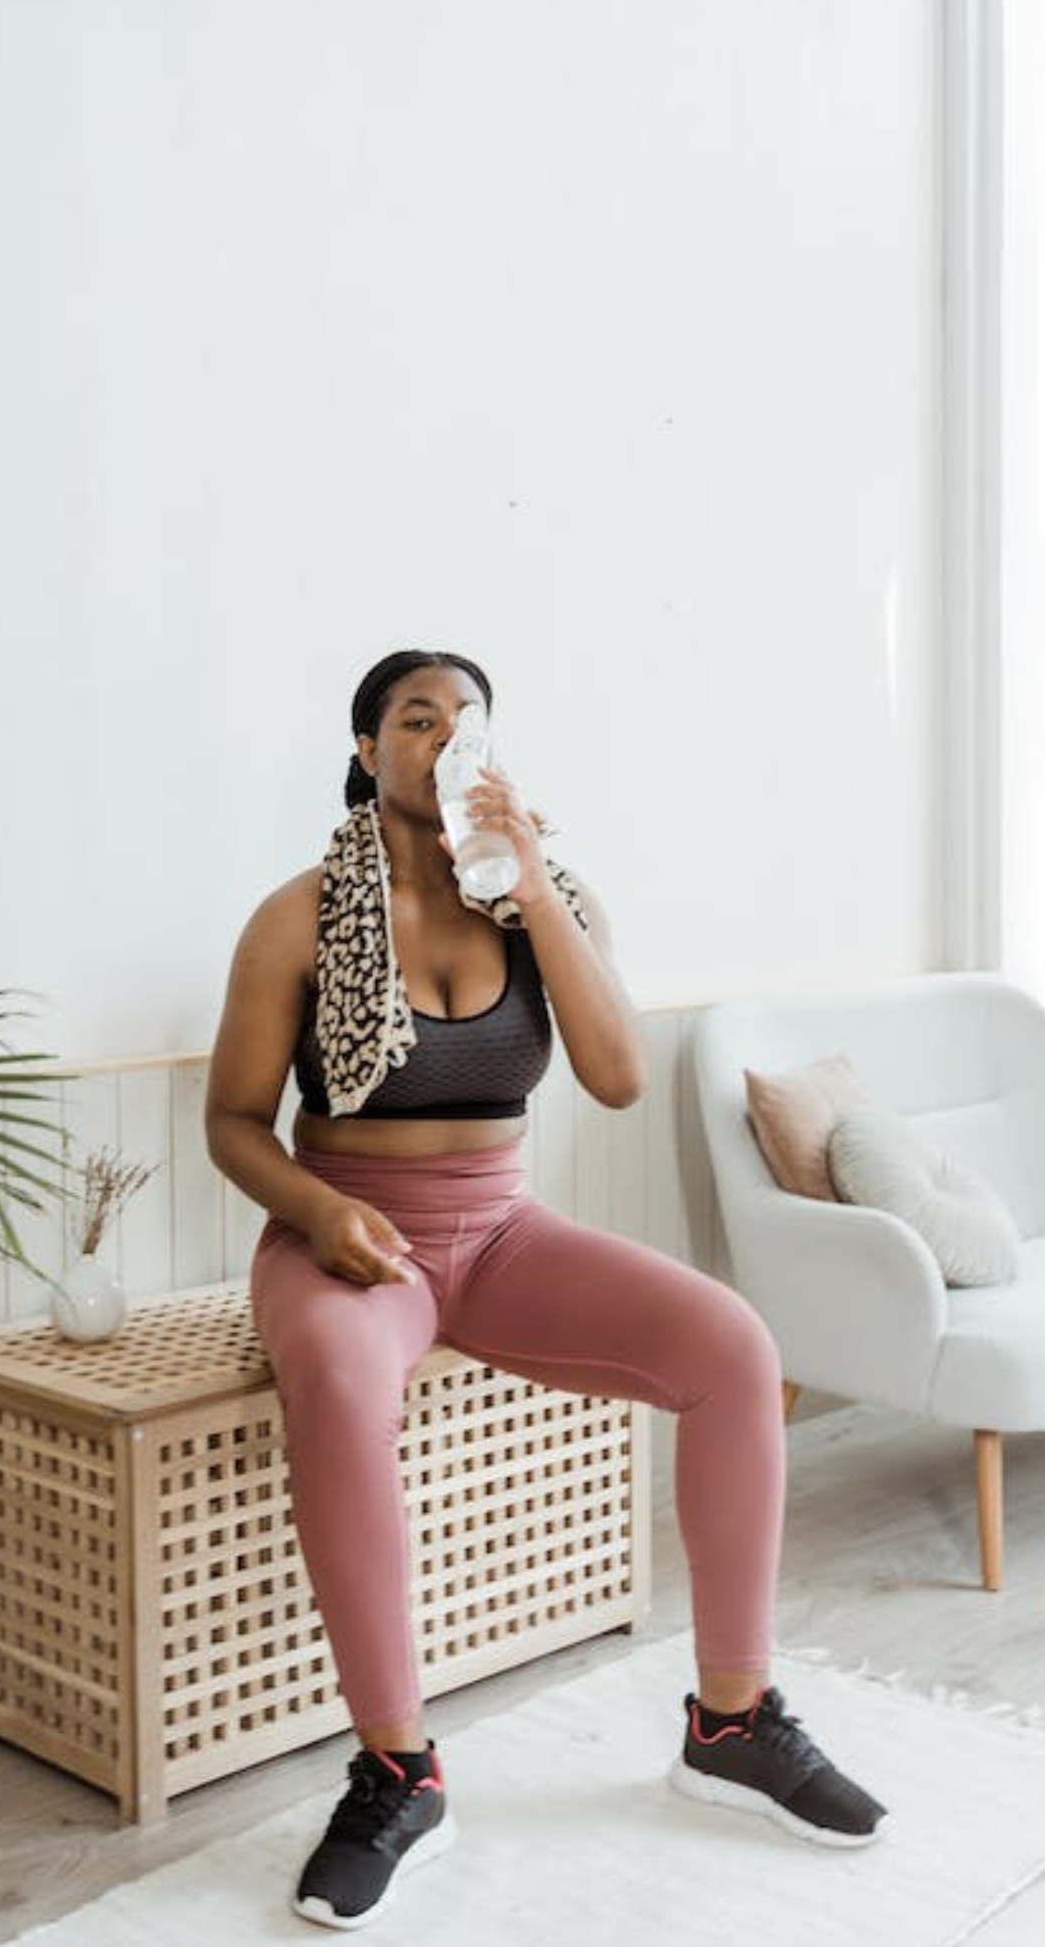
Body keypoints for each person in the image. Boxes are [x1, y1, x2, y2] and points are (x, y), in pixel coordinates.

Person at [206, 648, 885, 1931]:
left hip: (501, 1229)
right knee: (345, 1385)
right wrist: (322, 1211)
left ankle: (731, 1724)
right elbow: (236, 1121)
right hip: (353, 1238)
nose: (445, 739)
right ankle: (398, 1770)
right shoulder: (297, 915)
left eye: (468, 722)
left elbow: (620, 1075)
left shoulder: (544, 895)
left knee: (733, 1347)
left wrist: (532, 886)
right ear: (366, 753)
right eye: (417, 719)